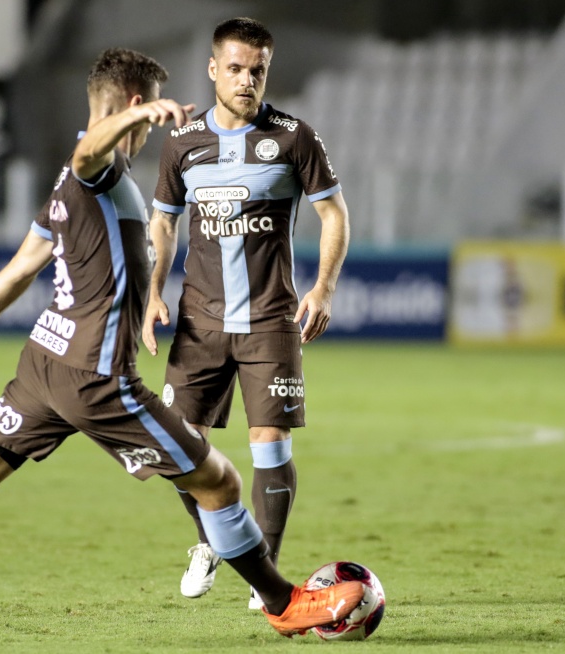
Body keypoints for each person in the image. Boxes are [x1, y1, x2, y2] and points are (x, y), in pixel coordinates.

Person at [0, 48, 362, 638]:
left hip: (44, 363)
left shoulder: (64, 183)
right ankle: (283, 603)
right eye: (145, 113)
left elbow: (18, 269)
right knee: (220, 481)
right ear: (136, 105)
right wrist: (141, 119)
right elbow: (92, 149)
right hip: (95, 376)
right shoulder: (96, 168)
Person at [143, 18, 351, 609]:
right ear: (212, 70)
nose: (246, 80)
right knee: (181, 448)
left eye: (257, 70)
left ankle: (267, 573)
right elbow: (163, 220)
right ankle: (212, 542)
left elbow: (334, 214)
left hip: (271, 321)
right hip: (199, 322)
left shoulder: (293, 137)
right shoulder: (182, 142)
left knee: (270, 443)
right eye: (235, 68)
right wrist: (154, 289)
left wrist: (324, 289)